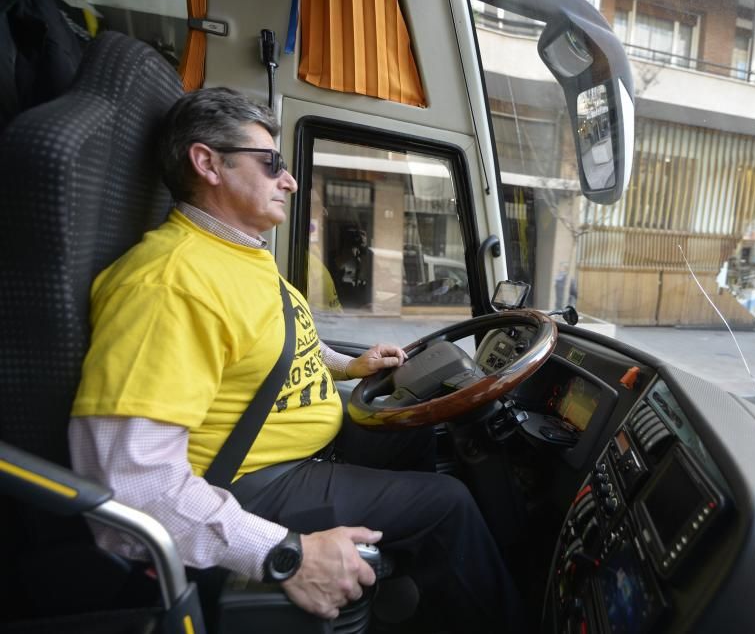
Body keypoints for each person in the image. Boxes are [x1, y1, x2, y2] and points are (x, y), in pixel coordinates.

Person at [68, 87, 524, 631]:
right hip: (253, 479)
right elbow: (134, 488)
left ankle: (397, 573)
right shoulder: (168, 285)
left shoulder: (236, 251)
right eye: (271, 164)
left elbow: (265, 343)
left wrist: (343, 366)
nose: (288, 180)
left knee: (418, 424)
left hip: (305, 451)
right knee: (447, 505)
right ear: (207, 162)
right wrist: (282, 553)